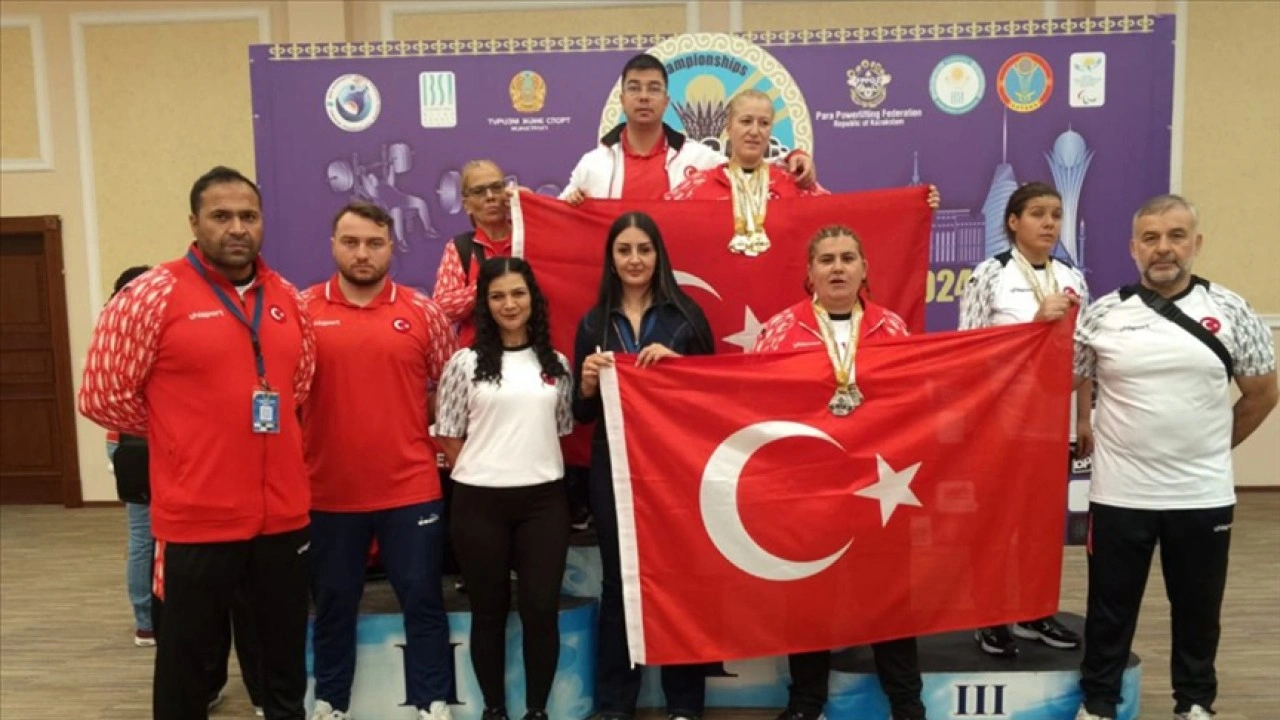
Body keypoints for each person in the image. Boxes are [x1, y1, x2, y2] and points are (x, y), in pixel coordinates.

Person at [78, 166, 315, 720]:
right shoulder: (149, 295)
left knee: (283, 668)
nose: (237, 228)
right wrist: (183, 436)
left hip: (283, 517)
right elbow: (102, 395)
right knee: (187, 669)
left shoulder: (287, 297)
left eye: (248, 216)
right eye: (221, 216)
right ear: (194, 222)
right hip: (197, 518)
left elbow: (299, 387)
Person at [1072, 195, 1277, 720]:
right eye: (1151, 238)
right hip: (1120, 495)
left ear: (1196, 243)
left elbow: (1262, 393)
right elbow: (1060, 377)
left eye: (1176, 236)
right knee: (1109, 610)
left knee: (1198, 611)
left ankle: (1195, 703)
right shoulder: (1102, 314)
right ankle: (1099, 703)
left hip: (1202, 495)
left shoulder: (1231, 309)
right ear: (1133, 248)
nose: (1163, 248)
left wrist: (1210, 448)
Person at [751, 225, 924, 720]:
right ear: (810, 273)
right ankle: (806, 703)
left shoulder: (892, 328)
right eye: (826, 260)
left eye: (848, 258)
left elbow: (916, 401)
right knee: (808, 598)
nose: (838, 268)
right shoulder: (779, 330)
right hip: (810, 487)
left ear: (865, 269)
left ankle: (906, 702)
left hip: (881, 483)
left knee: (890, 595)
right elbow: (749, 399)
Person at [303, 201, 458, 720]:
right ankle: (331, 703)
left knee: (423, 599)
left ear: (391, 247)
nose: (362, 253)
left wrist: (407, 419)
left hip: (409, 488)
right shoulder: (302, 311)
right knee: (333, 602)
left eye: (373, 243)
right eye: (351, 242)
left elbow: (450, 389)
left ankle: (432, 702)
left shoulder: (423, 311)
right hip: (327, 490)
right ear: (333, 245)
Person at [574, 212, 716, 720]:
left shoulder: (687, 316)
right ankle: (616, 704)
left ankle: (685, 704)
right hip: (612, 470)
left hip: (675, 469)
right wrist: (586, 383)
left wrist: (680, 372)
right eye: (624, 250)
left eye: (644, 249)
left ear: (659, 256)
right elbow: (581, 413)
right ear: (611, 259)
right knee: (619, 583)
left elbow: (716, 398)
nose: (634, 260)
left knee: (678, 581)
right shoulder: (593, 322)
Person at [434, 257, 575, 720]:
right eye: (497, 296)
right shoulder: (465, 363)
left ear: (532, 299)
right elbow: (448, 433)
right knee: (489, 612)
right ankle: (494, 709)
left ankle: (536, 710)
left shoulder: (556, 364)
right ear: (485, 304)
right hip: (479, 504)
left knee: (541, 610)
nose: (509, 304)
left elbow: (561, 427)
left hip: (543, 503)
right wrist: (485, 470)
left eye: (517, 293)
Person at [957, 181, 1089, 658]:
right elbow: (969, 350)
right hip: (1000, 419)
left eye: (1055, 214)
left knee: (1041, 524)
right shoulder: (989, 274)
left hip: (1050, 422)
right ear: (1013, 222)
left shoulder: (1073, 279)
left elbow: (1084, 354)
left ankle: (1036, 611)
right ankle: (989, 617)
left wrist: (1084, 419)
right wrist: (1035, 326)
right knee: (997, 522)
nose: (1049, 223)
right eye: (1037, 213)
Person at [561, 53, 815, 204]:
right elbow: (557, 215)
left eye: (654, 89)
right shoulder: (592, 164)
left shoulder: (698, 158)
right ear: (622, 99)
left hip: (679, 273)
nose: (644, 96)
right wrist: (565, 202)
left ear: (666, 101)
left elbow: (747, 167)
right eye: (634, 88)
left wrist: (792, 159)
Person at [105, 264, 156, 648]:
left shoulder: (111, 332)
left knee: (147, 534)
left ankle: (148, 622)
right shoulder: (134, 337)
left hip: (128, 441)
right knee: (145, 536)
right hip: (139, 442)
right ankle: (147, 621)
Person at [433, 159, 514, 346]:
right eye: (479, 191)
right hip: (476, 353)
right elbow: (442, 308)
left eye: (496, 187)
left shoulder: (530, 238)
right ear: (466, 205)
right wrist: (485, 285)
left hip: (529, 351)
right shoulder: (460, 247)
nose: (490, 196)